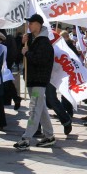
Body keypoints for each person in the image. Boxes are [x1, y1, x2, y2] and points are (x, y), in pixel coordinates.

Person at [15, 14, 56, 150]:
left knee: (34, 110)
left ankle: (26, 138)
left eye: (31, 23)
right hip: (33, 79)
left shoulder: (44, 42)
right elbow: (20, 55)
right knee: (41, 109)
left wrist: (27, 52)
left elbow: (40, 60)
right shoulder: (35, 40)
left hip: (39, 79)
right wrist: (23, 44)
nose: (29, 26)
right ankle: (49, 135)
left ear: (38, 24)